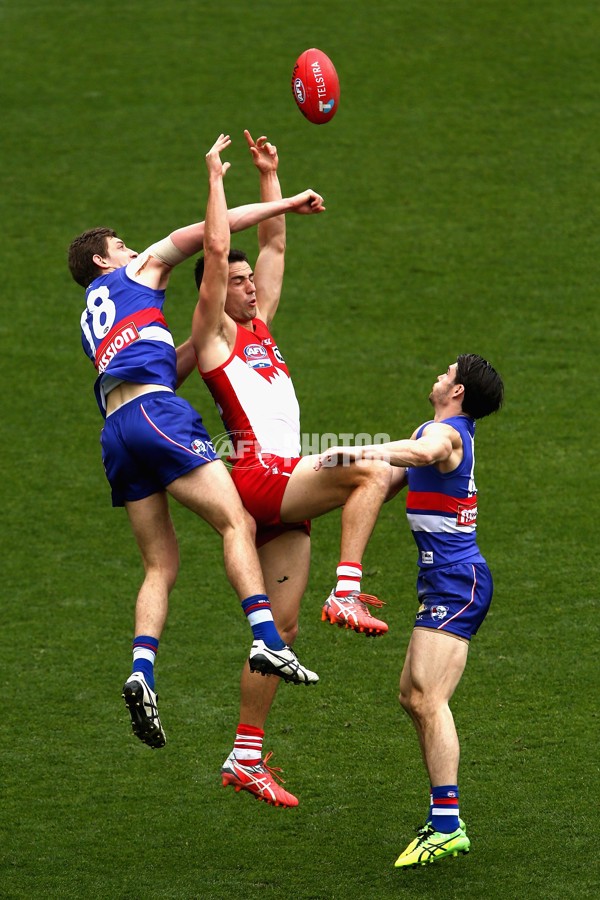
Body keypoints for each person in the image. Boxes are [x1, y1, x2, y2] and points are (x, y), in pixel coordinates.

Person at [68, 134, 326, 752]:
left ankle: (141, 669)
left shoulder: (92, 314)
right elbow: (210, 235)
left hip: (116, 431)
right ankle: (265, 633)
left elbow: (164, 360)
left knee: (160, 564)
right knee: (235, 520)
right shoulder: (135, 271)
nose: (133, 249)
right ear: (106, 260)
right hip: (158, 417)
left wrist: (206, 342)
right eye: (121, 246)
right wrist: (262, 194)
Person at [179, 131, 393, 807]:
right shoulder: (215, 334)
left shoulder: (261, 324)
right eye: (235, 283)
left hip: (279, 491)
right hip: (263, 474)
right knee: (370, 472)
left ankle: (244, 753)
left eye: (248, 284)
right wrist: (219, 191)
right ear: (216, 293)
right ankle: (348, 590)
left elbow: (271, 246)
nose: (247, 288)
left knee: (282, 630)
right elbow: (220, 253)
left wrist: (272, 178)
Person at [315, 353, 504, 867]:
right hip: (443, 581)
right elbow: (384, 481)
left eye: (448, 372)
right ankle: (443, 820)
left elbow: (419, 457)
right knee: (412, 696)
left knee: (426, 696)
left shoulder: (448, 436)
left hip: (458, 583)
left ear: (458, 391)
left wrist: (352, 449)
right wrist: (321, 484)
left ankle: (447, 824)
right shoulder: (431, 432)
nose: (439, 376)